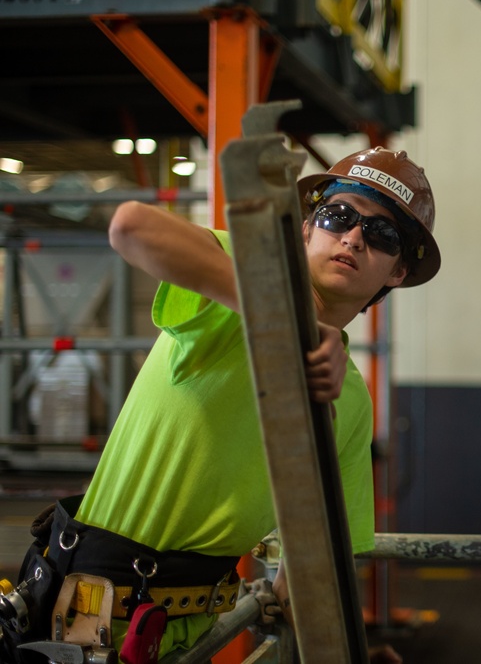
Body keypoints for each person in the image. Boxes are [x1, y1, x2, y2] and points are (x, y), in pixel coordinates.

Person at [8, 147, 439, 662]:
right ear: (306, 229)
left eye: (382, 234)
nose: (351, 237)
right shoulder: (233, 286)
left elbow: (312, 570)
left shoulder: (348, 399)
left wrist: (347, 651)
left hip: (184, 636)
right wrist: (283, 319)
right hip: (87, 623)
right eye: (337, 216)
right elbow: (130, 226)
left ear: (397, 272)